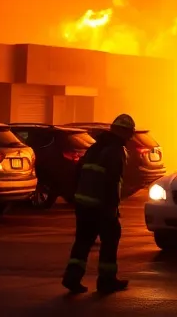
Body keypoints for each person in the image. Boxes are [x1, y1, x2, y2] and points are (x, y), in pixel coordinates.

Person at [62, 113, 136, 295]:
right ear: (125, 132)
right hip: (101, 205)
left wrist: (75, 197)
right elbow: (111, 181)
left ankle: (72, 278)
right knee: (110, 240)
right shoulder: (115, 151)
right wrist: (112, 209)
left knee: (83, 241)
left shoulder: (95, 147)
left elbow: (78, 172)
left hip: (83, 204)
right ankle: (107, 280)